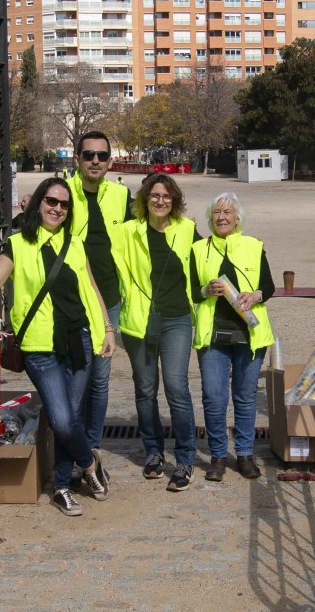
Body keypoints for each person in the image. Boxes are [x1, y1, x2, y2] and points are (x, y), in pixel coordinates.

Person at [0, 180, 115, 515]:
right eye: (51, 201)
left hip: (79, 338)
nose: (57, 208)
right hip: (39, 346)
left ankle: (62, 486)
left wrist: (107, 328)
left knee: (70, 416)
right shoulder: (18, 244)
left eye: (64, 204)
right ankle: (90, 463)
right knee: (62, 419)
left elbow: (92, 288)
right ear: (38, 203)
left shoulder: (74, 244)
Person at [116, 173, 201, 490]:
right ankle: (153, 451)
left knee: (177, 388)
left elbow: (210, 258)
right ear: (145, 198)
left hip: (177, 318)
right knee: (145, 389)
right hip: (140, 320)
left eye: (166, 196)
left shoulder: (187, 229)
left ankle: (185, 458)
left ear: (174, 200)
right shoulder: (127, 231)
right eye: (154, 195)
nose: (160, 200)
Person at [64, 131, 133, 499]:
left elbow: (146, 228)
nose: (95, 161)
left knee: (100, 379)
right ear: (77, 158)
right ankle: (74, 453)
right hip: (73, 302)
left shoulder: (121, 195)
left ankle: (91, 449)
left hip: (109, 298)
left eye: (102, 156)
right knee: (77, 378)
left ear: (109, 161)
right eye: (88, 154)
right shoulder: (61, 192)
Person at [193, 192, 276, 479]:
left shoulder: (254, 246)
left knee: (245, 396)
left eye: (228, 212)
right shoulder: (198, 249)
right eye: (217, 212)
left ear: (238, 218)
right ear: (210, 218)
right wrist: (205, 290)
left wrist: (255, 295)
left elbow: (268, 286)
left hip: (249, 333)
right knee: (214, 398)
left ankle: (244, 454)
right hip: (213, 334)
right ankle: (218, 455)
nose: (222, 217)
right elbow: (192, 290)